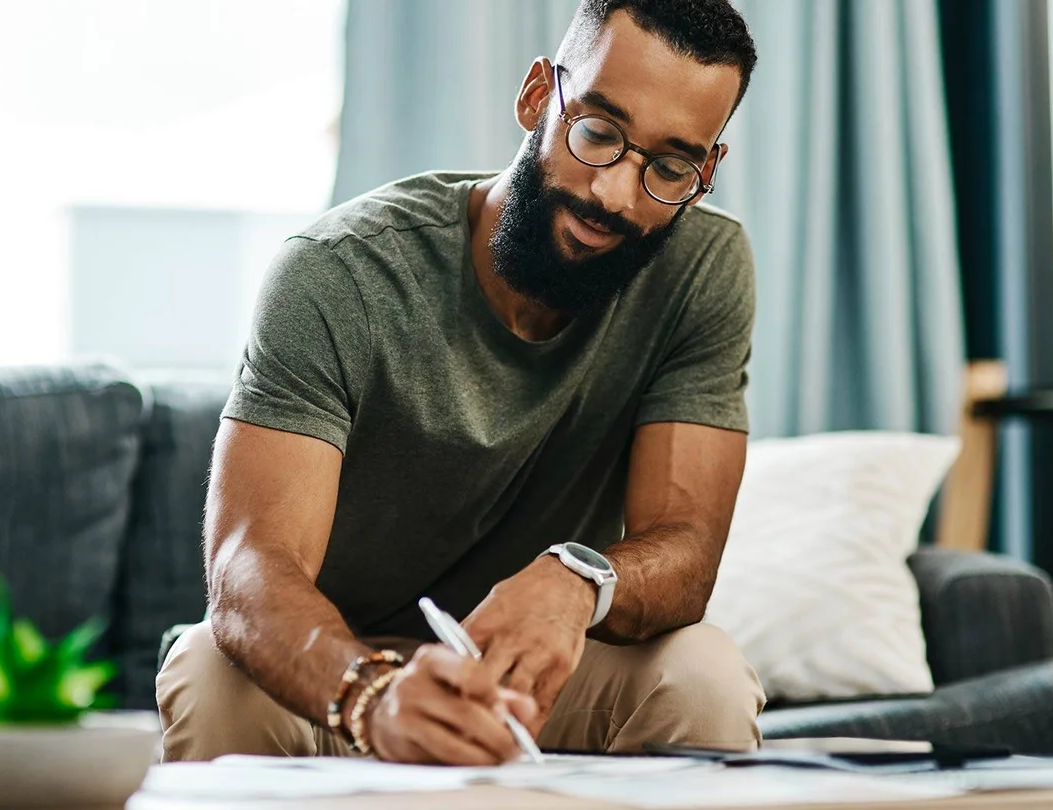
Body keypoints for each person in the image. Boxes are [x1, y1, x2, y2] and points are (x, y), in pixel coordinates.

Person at [157, 0, 765, 765]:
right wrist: (370, 697)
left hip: (528, 674)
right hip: (339, 667)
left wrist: (579, 581)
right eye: (598, 133)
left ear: (705, 172)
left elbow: (687, 551)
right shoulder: (338, 271)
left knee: (701, 673)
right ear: (538, 96)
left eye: (669, 167)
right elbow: (250, 569)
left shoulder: (702, 269)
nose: (615, 194)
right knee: (212, 669)